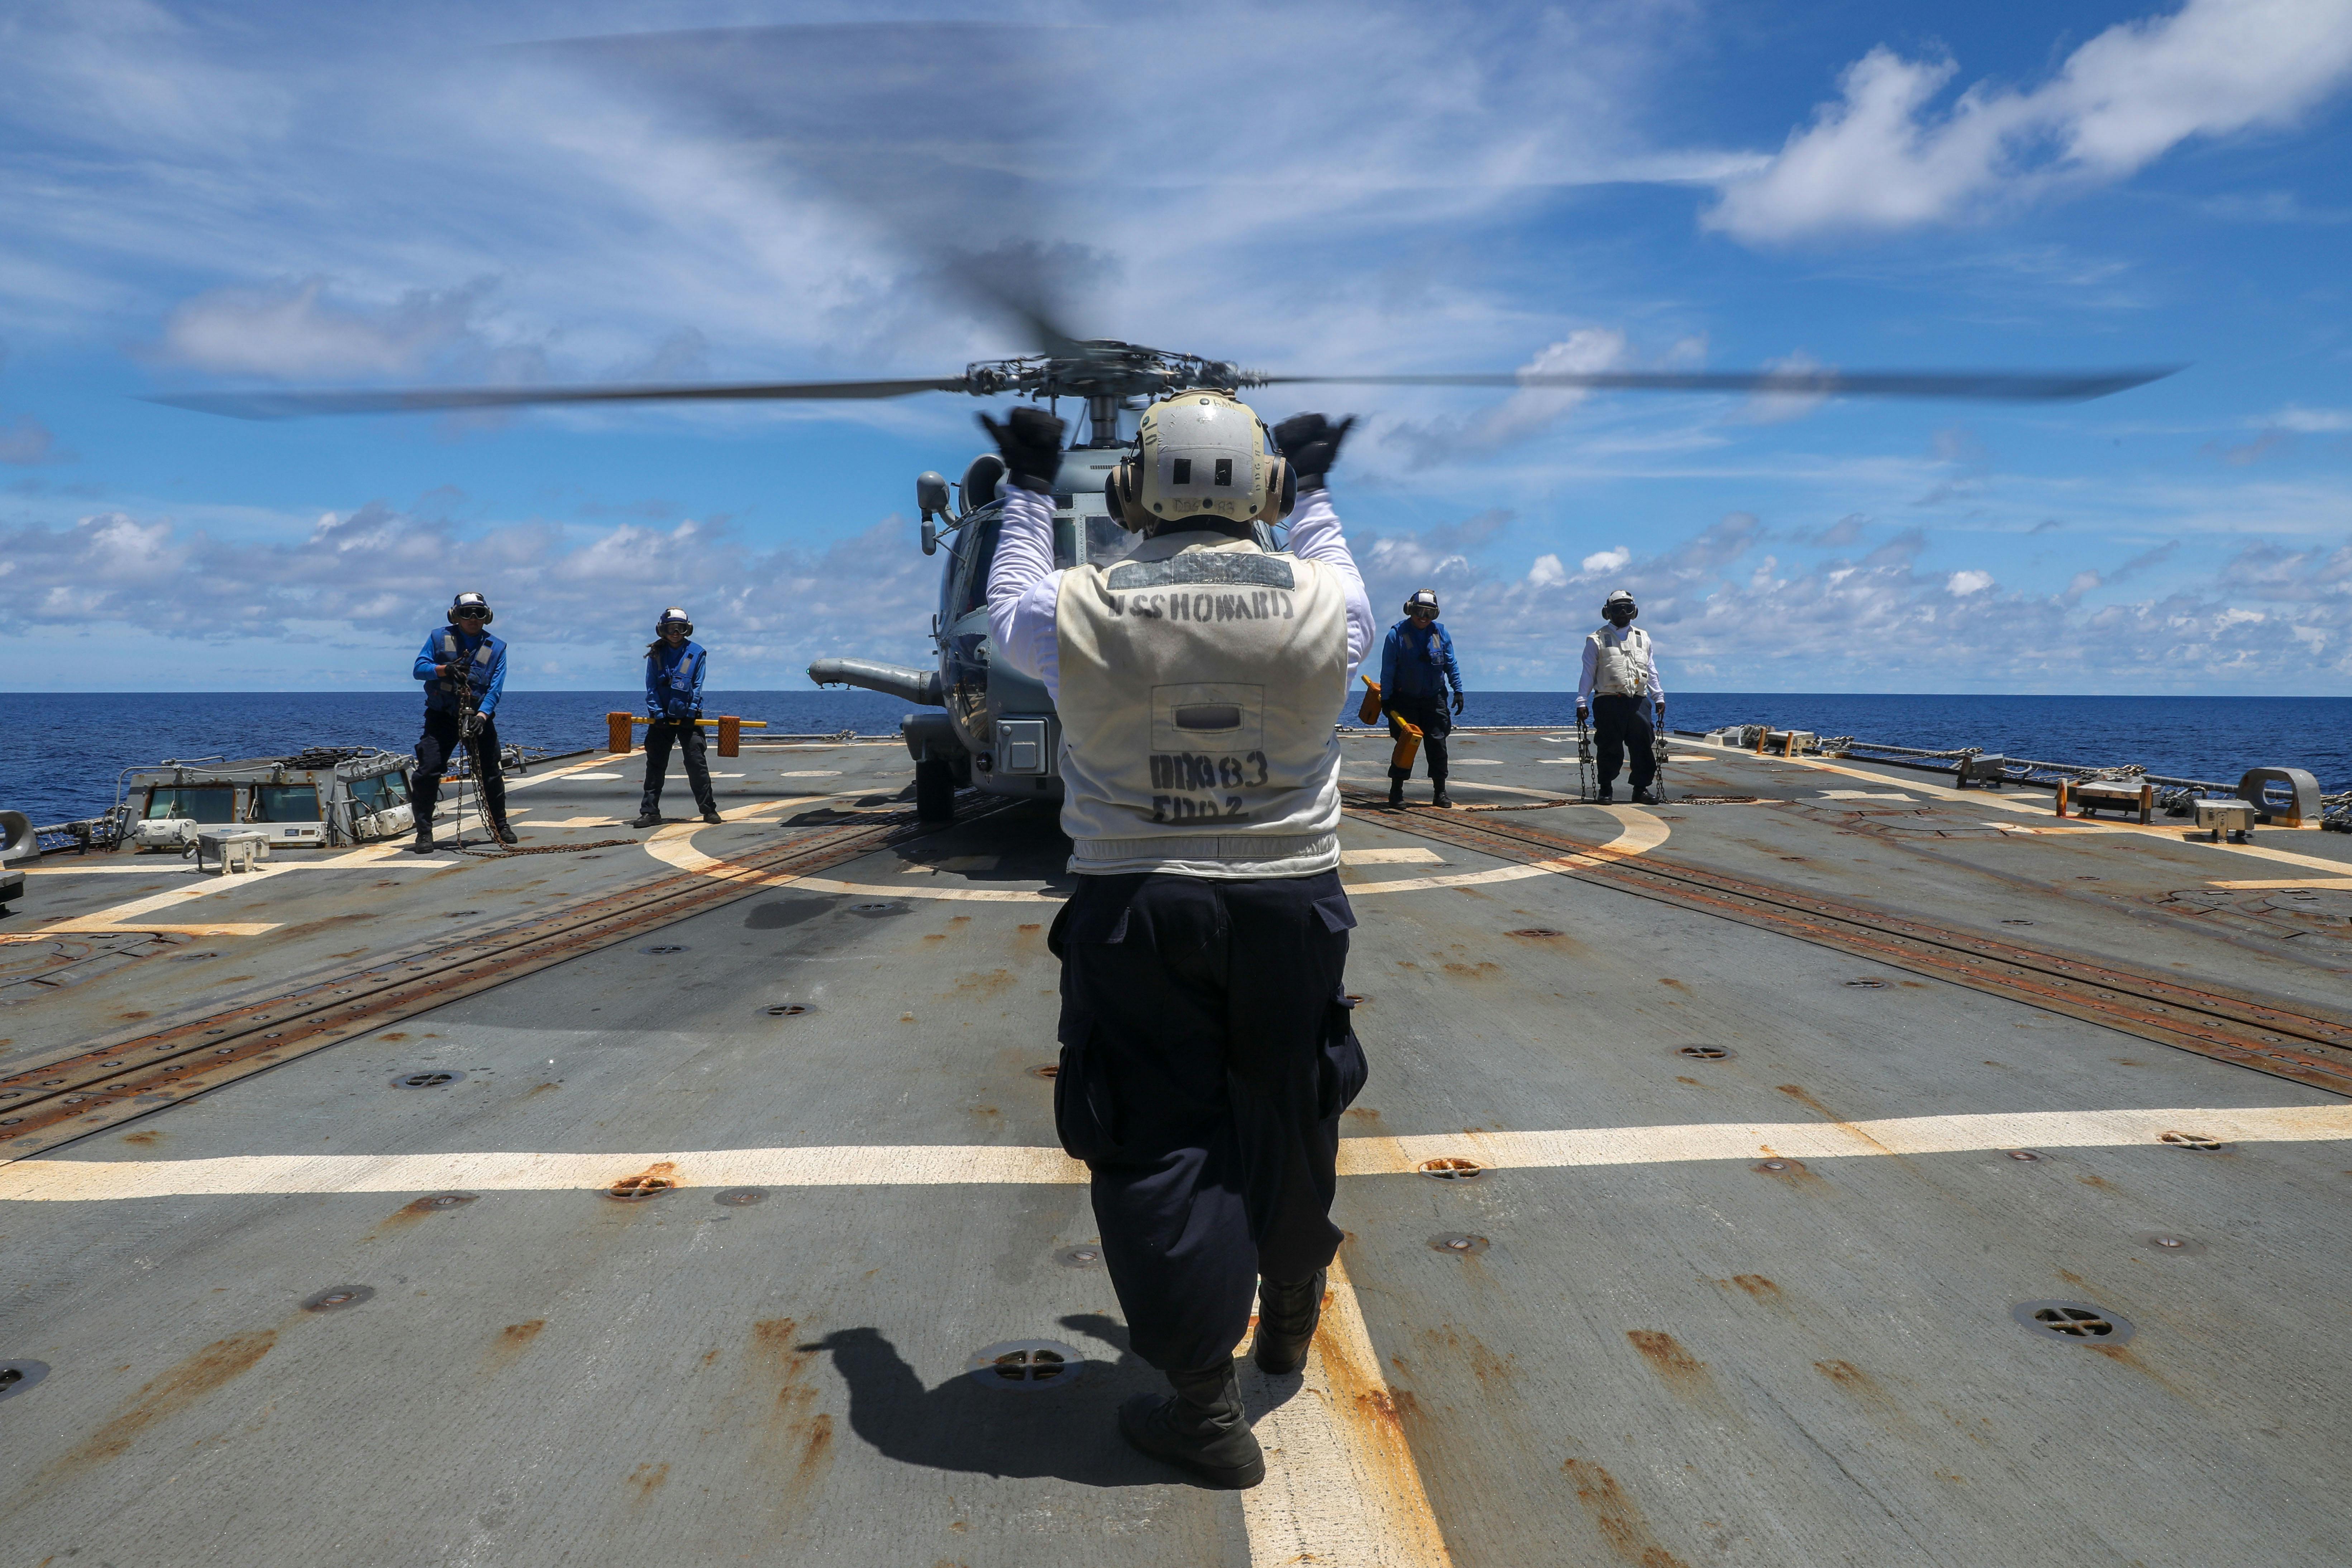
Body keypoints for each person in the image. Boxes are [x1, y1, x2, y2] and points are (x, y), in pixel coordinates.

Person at [986, 395, 1375, 1490]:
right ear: (1270, 499)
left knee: (1158, 1140)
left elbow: (1008, 605)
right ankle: (1289, 1317)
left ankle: (1205, 1413)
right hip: (1293, 901)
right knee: (1295, 1108)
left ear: (1126, 498)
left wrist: (1025, 486)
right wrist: (1318, 489)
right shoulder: (1326, 607)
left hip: (1138, 906)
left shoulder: (1083, 602)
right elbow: (1341, 574)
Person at [408, 591, 517, 851]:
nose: (473, 619)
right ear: (455, 616)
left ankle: (500, 825)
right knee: (428, 771)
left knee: (491, 773)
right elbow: (418, 669)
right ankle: (424, 833)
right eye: (467, 614)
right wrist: (444, 670)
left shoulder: (497, 648)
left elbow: (495, 689)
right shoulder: (438, 638)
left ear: (487, 617)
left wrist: (483, 716)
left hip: (477, 717)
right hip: (442, 716)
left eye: (479, 614)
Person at [631, 607, 722, 829]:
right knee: (655, 764)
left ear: (686, 630)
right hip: (661, 717)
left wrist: (691, 711)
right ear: (663, 630)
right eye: (671, 629)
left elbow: (698, 686)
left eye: (680, 629)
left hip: (689, 717)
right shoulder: (656, 653)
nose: (675, 633)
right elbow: (651, 685)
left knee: (696, 762)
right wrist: (658, 714)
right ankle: (650, 812)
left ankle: (709, 810)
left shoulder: (697, 653)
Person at [1575, 588, 1666, 804]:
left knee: (1643, 745)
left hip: (1638, 700)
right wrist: (1582, 700)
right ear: (1608, 612)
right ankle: (1606, 789)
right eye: (1618, 609)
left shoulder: (1643, 638)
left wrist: (1658, 696)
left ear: (1634, 612)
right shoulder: (1596, 640)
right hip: (1607, 701)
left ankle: (1641, 789)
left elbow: (1651, 669)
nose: (1623, 613)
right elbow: (1588, 672)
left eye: (1627, 609)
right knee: (1609, 747)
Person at [1377, 588, 1464, 807]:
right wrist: (1386, 700)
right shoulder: (1396, 635)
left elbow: (1450, 664)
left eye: (1429, 613)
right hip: (1405, 700)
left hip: (1434, 699)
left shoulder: (1440, 633)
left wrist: (1458, 690)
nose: (1424, 618)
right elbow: (1387, 671)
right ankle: (1396, 791)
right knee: (1407, 745)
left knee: (1438, 744)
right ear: (1410, 610)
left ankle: (1440, 793)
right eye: (1419, 611)